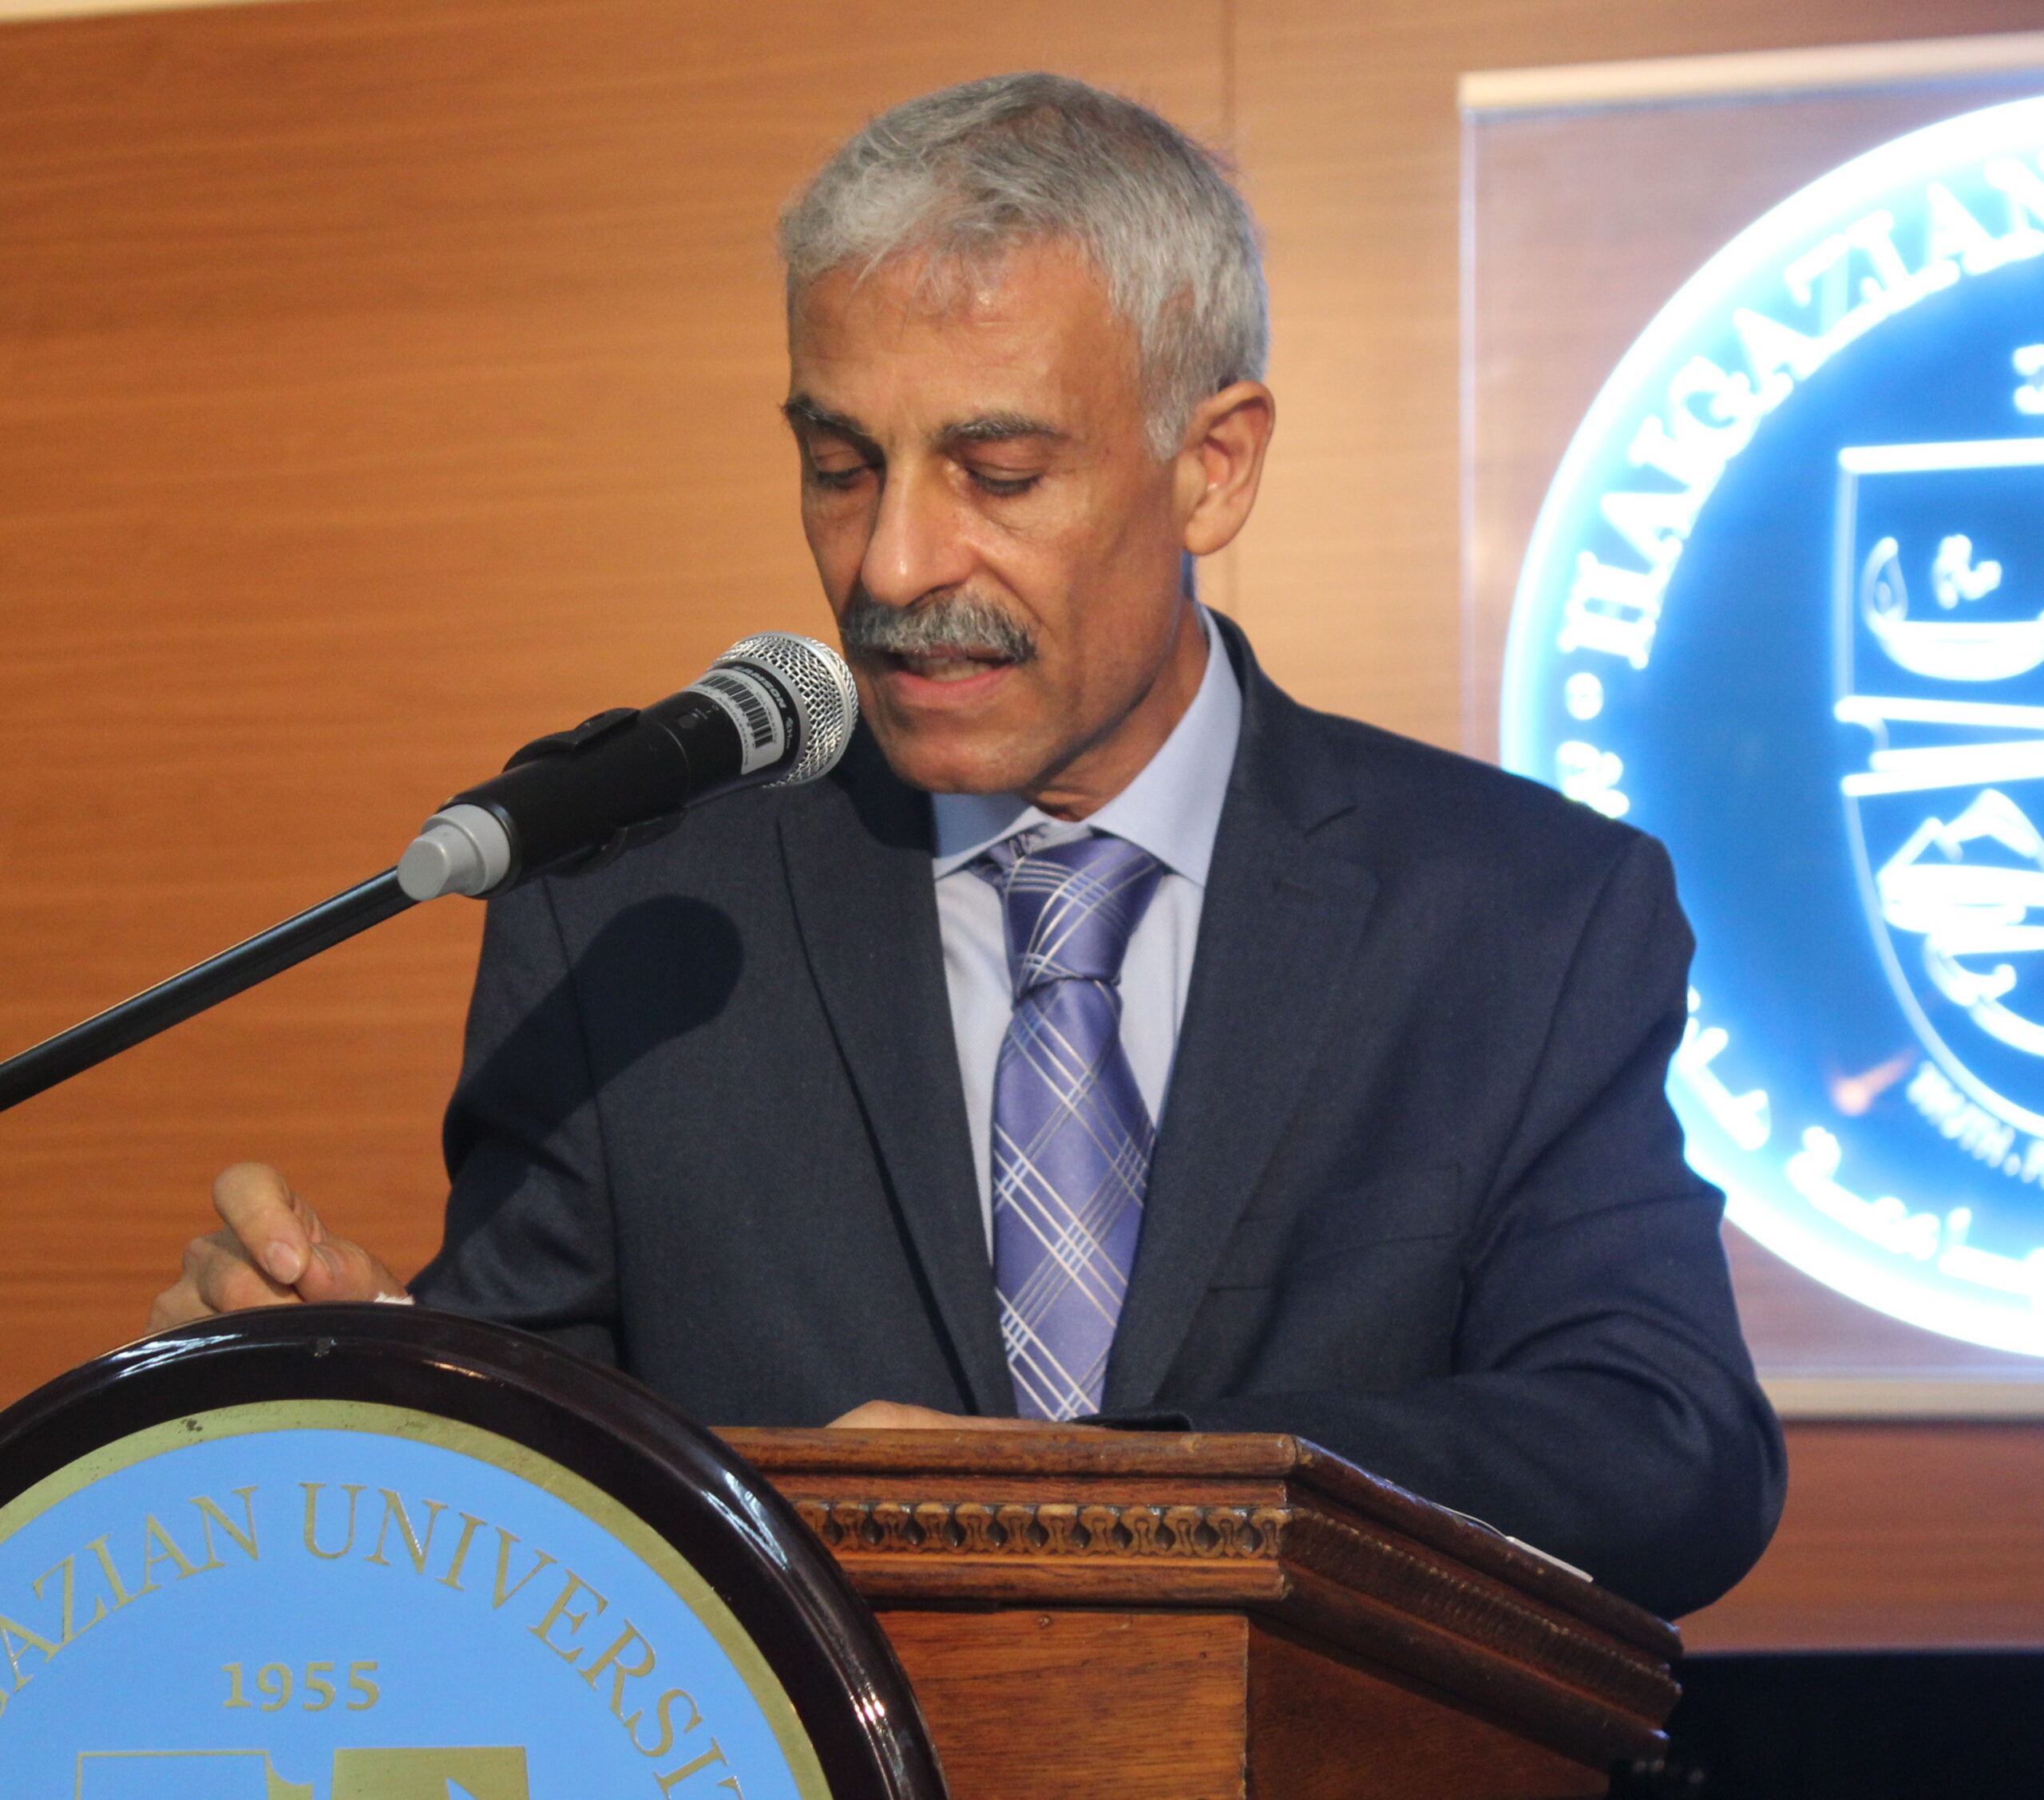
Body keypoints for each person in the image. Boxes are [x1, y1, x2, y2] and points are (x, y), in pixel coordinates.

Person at [149, 73, 1785, 1620]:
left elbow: (1664, 1451)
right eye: (839, 467)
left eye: (997, 474)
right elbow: (551, 1476)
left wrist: (1100, 1494)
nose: (893, 563)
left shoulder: (1521, 915)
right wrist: (378, 1388)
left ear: (1212, 469)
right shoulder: (631, 905)